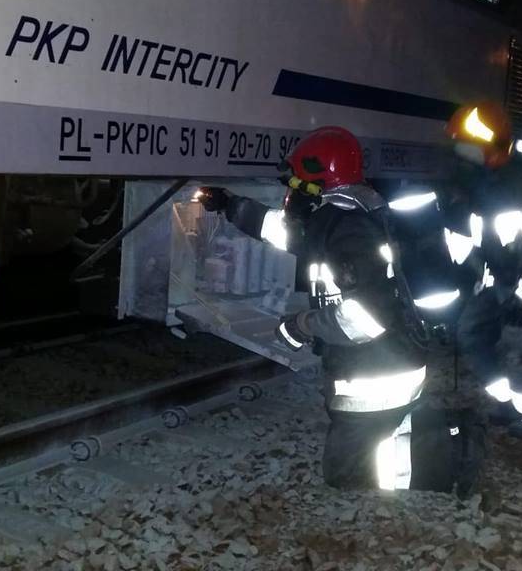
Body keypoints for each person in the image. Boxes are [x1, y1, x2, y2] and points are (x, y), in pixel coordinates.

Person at [199, 126, 484, 495]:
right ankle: (426, 430)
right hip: (381, 359)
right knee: (357, 454)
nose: (292, 188)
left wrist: (303, 325)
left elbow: (367, 317)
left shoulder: (349, 230)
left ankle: (458, 448)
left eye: (297, 179)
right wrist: (230, 205)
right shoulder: (342, 215)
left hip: (380, 371)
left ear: (319, 179)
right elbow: (285, 232)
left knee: (347, 472)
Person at [387, 103, 522, 431]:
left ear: (493, 149)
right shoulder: (475, 186)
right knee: (471, 334)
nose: (462, 155)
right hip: (498, 281)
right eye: (460, 148)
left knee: (520, 344)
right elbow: (465, 237)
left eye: (469, 148)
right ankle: (508, 401)